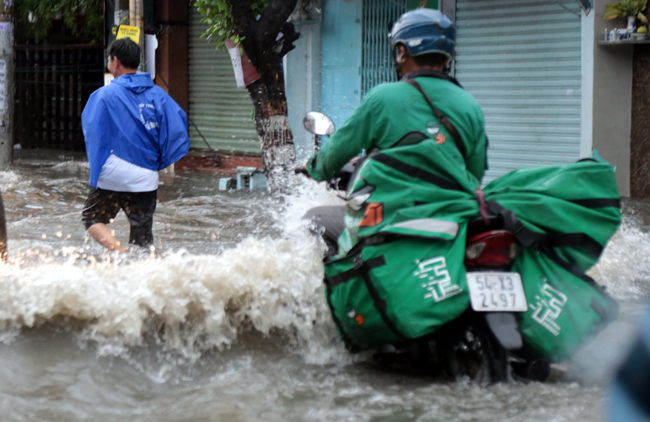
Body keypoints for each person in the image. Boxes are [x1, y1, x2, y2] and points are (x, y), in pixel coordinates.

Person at [303, 9, 488, 255]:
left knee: (311, 219)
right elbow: (475, 174)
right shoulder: (469, 104)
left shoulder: (383, 98)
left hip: (389, 220)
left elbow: (333, 156)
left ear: (401, 51)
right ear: (447, 58)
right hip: (451, 222)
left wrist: (312, 167)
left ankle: (336, 290)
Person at [81, 38, 190, 252]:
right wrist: (158, 162)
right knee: (142, 240)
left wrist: (97, 171)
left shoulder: (103, 95)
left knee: (92, 218)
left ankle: (120, 253)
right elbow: (178, 128)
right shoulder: (159, 95)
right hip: (146, 176)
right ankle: (139, 272)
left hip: (113, 172)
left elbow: (94, 135)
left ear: (115, 61)